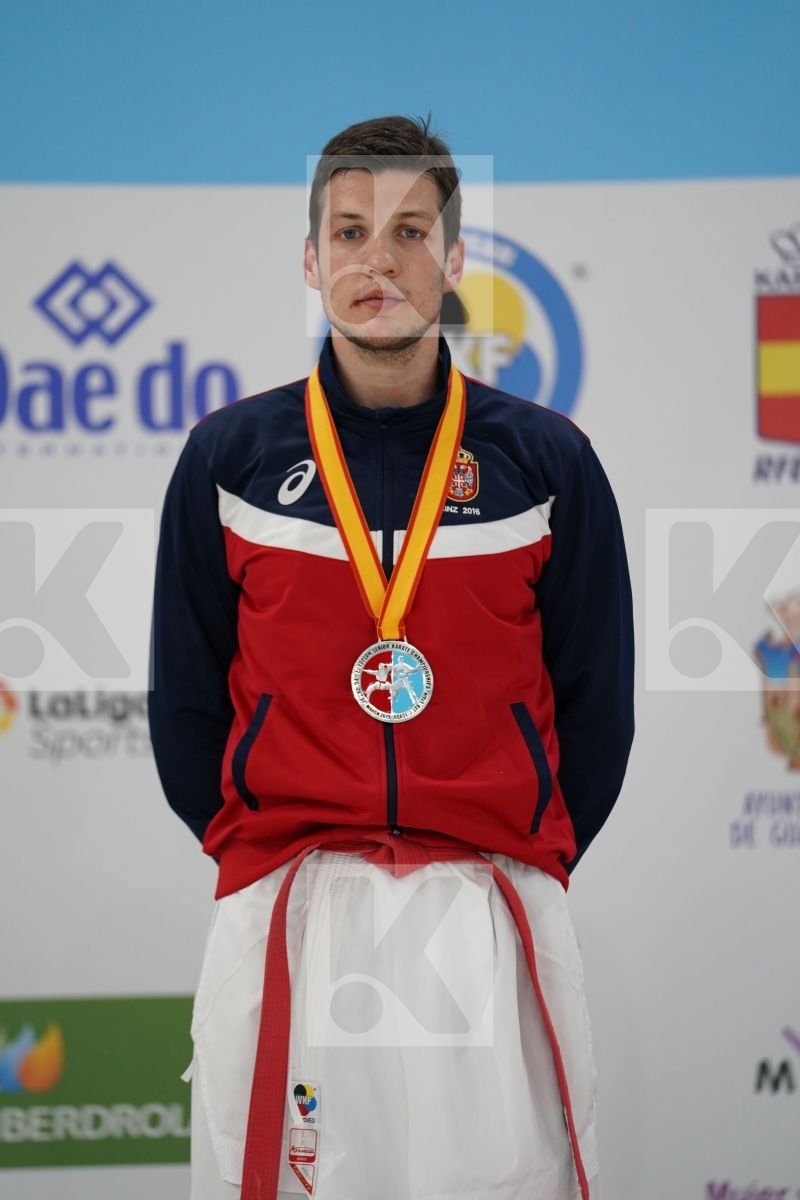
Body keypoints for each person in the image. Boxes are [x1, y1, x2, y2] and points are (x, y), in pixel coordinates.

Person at [148, 114, 634, 1200]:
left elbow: (597, 704)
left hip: (486, 902)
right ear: (312, 259)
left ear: (455, 262)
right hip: (294, 900)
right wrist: (252, 847)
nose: (381, 259)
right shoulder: (230, 458)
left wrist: (521, 855)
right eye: (352, 230)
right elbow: (183, 699)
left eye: (411, 231)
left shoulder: (542, 461)